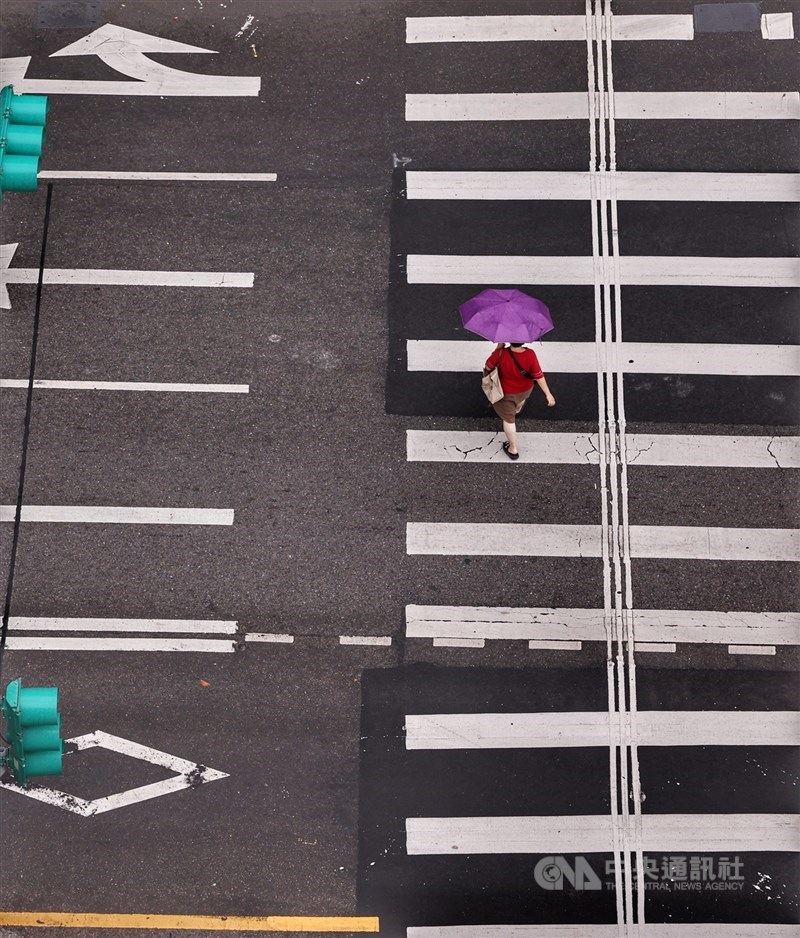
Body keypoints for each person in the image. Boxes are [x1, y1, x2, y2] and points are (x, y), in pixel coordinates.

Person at [484, 341, 556, 460]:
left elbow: (488, 366)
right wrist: (548, 394)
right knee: (520, 401)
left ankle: (513, 449)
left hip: (505, 393)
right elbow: (538, 375)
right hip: (525, 390)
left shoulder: (501, 353)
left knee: (508, 420)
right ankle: (517, 409)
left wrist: (498, 347)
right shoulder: (530, 354)